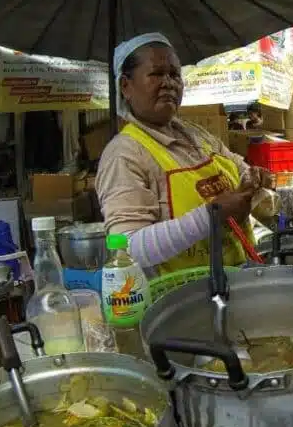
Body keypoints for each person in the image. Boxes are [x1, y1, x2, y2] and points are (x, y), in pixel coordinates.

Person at [96, 33, 270, 274]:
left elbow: (241, 172)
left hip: (236, 277)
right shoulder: (124, 154)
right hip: (182, 297)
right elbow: (129, 247)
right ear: (126, 86)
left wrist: (253, 180)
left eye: (175, 74)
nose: (168, 82)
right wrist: (211, 216)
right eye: (156, 74)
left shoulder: (197, 136)